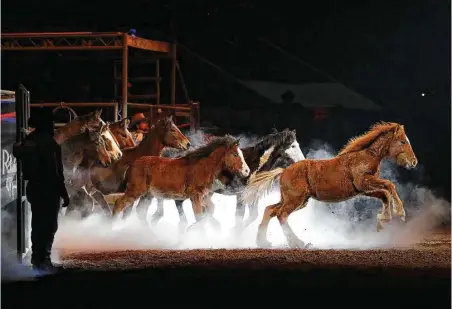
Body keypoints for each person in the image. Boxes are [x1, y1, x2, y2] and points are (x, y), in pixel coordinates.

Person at [13, 108, 69, 271]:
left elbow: (19, 152)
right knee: (49, 225)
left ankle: (38, 259)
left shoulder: (30, 139)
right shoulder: (49, 144)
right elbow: (56, 172)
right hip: (48, 189)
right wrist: (63, 193)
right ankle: (43, 260)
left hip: (34, 187)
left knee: (38, 223)